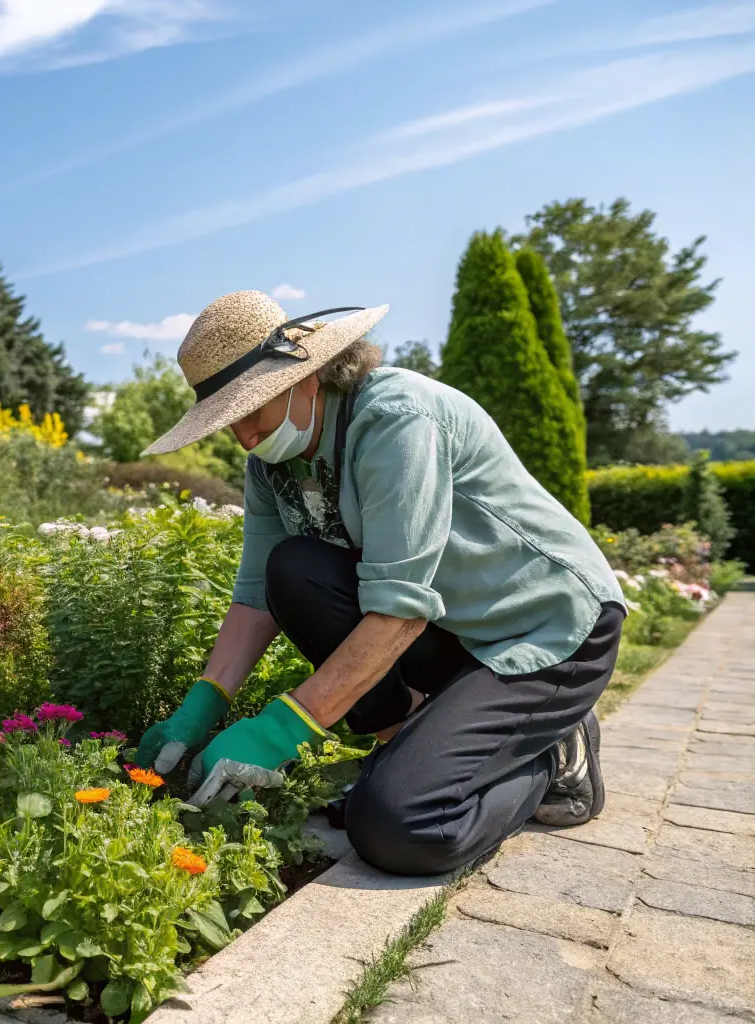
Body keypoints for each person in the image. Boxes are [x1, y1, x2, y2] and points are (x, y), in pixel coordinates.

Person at [134, 291, 625, 876]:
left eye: (252, 408)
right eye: (227, 419)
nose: (243, 434)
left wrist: (278, 732)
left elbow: (398, 612)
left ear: (307, 376)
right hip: (456, 628)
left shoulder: (395, 418)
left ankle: (549, 753)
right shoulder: (270, 461)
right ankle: (409, 741)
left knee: (400, 827)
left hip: (548, 629)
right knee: (294, 570)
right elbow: (256, 596)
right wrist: (201, 705)